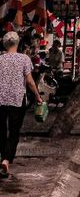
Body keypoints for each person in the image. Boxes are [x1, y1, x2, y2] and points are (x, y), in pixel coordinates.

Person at [0, 31, 42, 178]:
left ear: (5, 44)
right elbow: (30, 81)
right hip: (17, 101)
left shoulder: (0, 59)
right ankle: (6, 160)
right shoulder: (24, 59)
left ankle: (2, 157)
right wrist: (37, 96)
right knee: (14, 132)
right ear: (17, 44)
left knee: (1, 132)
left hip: (0, 100)